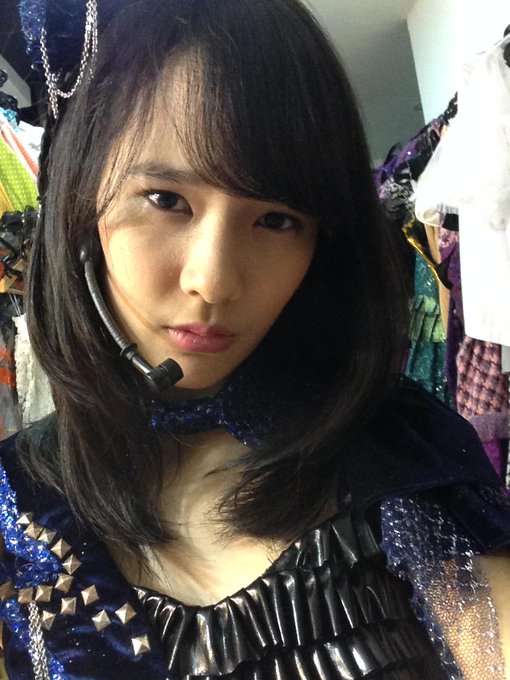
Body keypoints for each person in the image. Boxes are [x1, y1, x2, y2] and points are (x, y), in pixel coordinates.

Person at [0, 0, 509, 678]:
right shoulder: (14, 504)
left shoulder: (406, 452)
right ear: (79, 205)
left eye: (276, 220)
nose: (214, 281)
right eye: (166, 200)